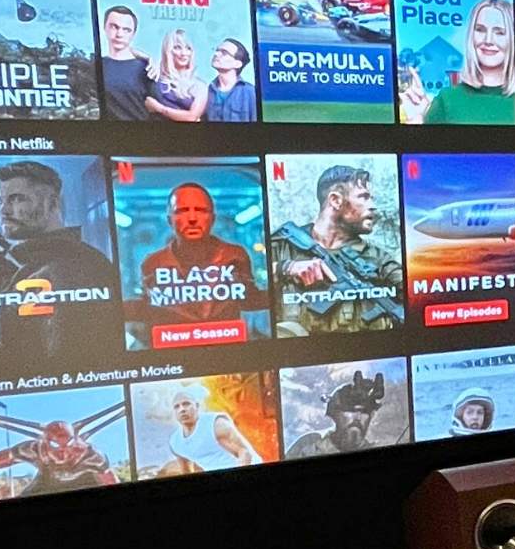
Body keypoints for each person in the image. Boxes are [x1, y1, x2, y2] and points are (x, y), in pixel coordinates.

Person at [0, 160, 118, 361]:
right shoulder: (21, 261)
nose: (4, 211)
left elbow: (69, 356)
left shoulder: (80, 264)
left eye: (17, 199)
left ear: (53, 203)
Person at [268, 164, 403, 334]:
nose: (373, 205)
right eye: (364, 197)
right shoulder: (282, 244)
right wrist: (286, 268)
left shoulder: (378, 258)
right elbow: (250, 287)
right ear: (335, 200)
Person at [136, 182, 262, 332]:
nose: (192, 218)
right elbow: (146, 311)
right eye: (182, 210)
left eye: (201, 210)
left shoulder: (235, 257)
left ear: (212, 218)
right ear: (170, 220)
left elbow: (251, 301)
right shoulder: (153, 264)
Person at [423, 0, 515, 123]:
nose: (488, 40)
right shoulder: (447, 100)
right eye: (480, 30)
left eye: (499, 32)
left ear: (512, 39)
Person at [0, 418, 117, 499]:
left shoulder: (91, 455)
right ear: (44, 445)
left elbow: (112, 482)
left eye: (69, 448)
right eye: (56, 450)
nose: (64, 455)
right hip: (45, 484)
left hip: (84, 485)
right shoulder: (32, 450)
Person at [161, 383, 261, 473]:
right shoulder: (176, 442)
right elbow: (187, 471)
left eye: (186, 404)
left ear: (197, 406)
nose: (182, 409)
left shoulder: (216, 424)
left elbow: (245, 452)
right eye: (177, 407)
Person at [99, 6, 157, 120]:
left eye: (126, 30)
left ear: (133, 33)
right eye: (114, 27)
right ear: (104, 27)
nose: (119, 34)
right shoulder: (93, 66)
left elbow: (156, 108)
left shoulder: (146, 68)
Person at [144, 30, 209, 121]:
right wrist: (148, 58)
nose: (183, 53)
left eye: (188, 48)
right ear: (168, 50)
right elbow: (129, 50)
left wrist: (159, 108)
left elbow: (191, 117)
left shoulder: (200, 85)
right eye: (177, 47)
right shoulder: (156, 77)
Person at [204, 38, 257, 123]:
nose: (216, 54)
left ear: (237, 64)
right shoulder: (206, 91)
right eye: (217, 50)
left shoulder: (250, 92)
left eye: (224, 53)